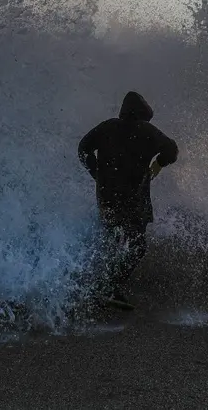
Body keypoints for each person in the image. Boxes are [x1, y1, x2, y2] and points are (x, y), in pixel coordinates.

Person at [78, 91, 179, 305]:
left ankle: (97, 287)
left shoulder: (108, 127)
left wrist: (94, 171)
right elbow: (171, 149)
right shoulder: (147, 130)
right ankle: (109, 287)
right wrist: (159, 164)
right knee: (137, 245)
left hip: (107, 196)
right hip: (134, 199)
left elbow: (83, 148)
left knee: (111, 241)